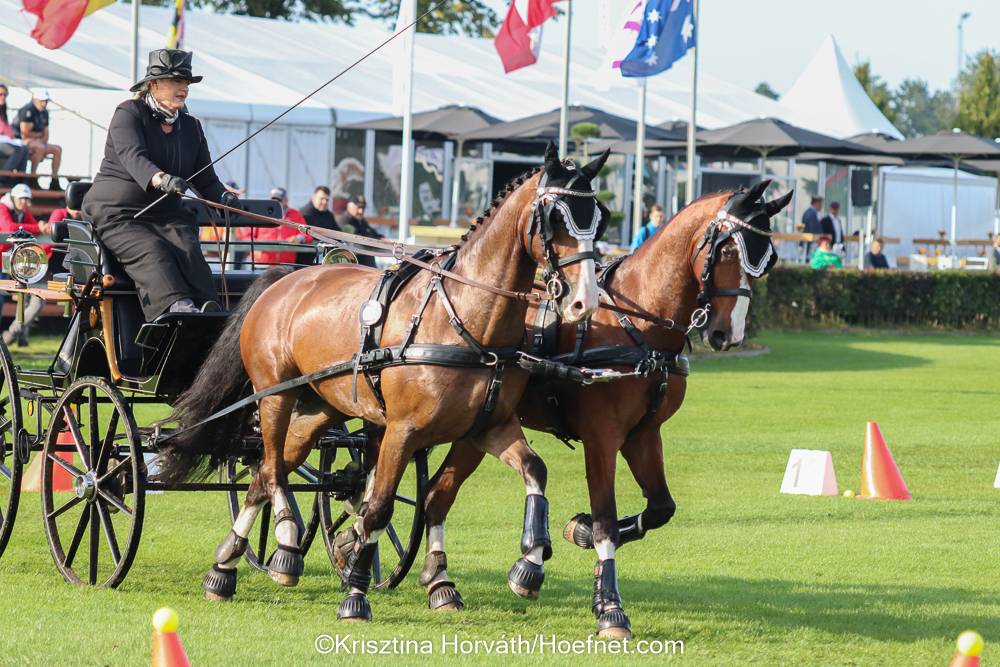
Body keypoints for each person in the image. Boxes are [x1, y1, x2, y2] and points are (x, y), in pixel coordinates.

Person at [81, 49, 238, 319]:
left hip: (166, 215)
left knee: (189, 250)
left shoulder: (191, 127)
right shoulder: (128, 113)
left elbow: (206, 179)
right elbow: (133, 157)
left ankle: (209, 314)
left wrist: (224, 198)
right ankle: (176, 312)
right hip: (119, 213)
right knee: (152, 250)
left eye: (186, 82)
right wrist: (161, 179)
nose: (183, 88)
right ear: (153, 84)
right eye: (176, 81)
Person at [0, 183, 52, 345]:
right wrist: (38, 227)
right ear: (14, 198)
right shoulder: (2, 208)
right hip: (3, 261)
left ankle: (18, 336)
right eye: (22, 198)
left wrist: (39, 227)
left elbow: (34, 227)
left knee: (28, 297)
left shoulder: (22, 211)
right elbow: (9, 227)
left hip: (14, 262)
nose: (25, 202)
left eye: (27, 199)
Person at [240, 187, 312, 266]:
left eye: (279, 199)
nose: (276, 202)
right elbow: (247, 236)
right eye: (273, 199)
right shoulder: (260, 214)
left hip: (286, 265)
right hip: (262, 264)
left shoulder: (296, 215)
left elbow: (308, 233)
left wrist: (299, 238)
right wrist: (255, 247)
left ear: (286, 200)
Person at [15, 89, 62, 191]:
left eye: (46, 101)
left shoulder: (44, 113)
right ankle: (33, 178)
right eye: (42, 101)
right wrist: (39, 136)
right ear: (35, 99)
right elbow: (24, 134)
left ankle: (54, 180)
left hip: (36, 142)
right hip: (20, 141)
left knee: (57, 149)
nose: (44, 104)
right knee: (39, 147)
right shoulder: (27, 110)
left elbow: (46, 135)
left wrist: (38, 137)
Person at [336, 194, 382, 268]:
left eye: (363, 208)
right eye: (358, 208)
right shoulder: (345, 221)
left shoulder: (361, 221)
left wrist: (381, 239)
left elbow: (375, 235)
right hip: (354, 267)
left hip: (366, 267)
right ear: (349, 206)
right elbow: (359, 241)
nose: (361, 211)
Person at [0, 85, 29, 187]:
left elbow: (7, 129)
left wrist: (14, 137)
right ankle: (2, 178)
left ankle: (21, 180)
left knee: (24, 148)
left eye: (5, 95)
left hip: (4, 140)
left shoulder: (3, 110)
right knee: (16, 150)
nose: (3, 97)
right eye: (0, 94)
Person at [800, 196, 823, 260]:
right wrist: (817, 239)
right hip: (811, 242)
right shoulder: (811, 213)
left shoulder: (810, 212)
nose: (821, 206)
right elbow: (812, 229)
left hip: (810, 242)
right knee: (810, 260)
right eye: (820, 204)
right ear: (816, 203)